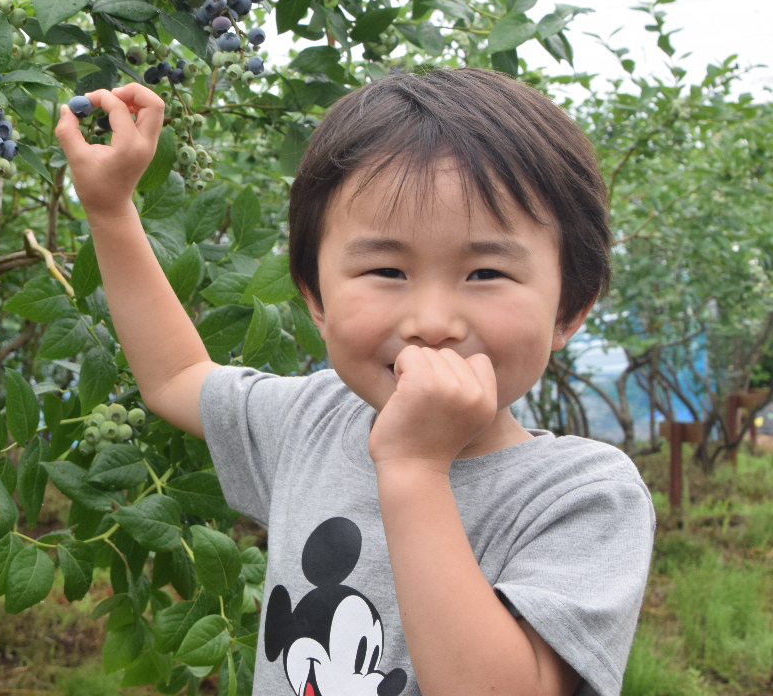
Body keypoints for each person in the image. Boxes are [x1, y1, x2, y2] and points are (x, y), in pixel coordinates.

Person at [55, 68, 654, 696]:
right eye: (387, 269)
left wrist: (415, 466)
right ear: (317, 298)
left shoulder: (582, 497)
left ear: (570, 308)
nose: (431, 324)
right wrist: (109, 207)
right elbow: (177, 376)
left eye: (485, 273)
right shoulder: (312, 424)